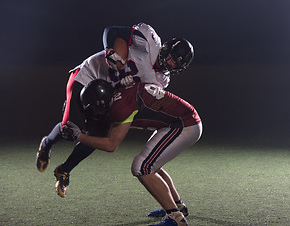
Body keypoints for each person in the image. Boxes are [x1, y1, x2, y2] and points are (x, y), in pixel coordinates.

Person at [36, 22, 195, 199]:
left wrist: (125, 87)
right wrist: (111, 50)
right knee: (69, 128)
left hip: (109, 91)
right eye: (173, 58)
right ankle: (47, 145)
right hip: (89, 75)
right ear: (166, 48)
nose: (171, 64)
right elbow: (112, 31)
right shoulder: (149, 40)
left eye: (176, 64)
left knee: (97, 138)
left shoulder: (161, 82)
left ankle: (64, 170)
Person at [62, 79, 202, 226]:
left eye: (93, 108)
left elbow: (111, 145)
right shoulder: (119, 94)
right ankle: (178, 206)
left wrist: (79, 136)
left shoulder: (120, 106)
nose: (92, 112)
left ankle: (175, 218)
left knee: (142, 167)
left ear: (101, 102)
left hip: (184, 124)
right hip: (180, 121)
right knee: (152, 165)